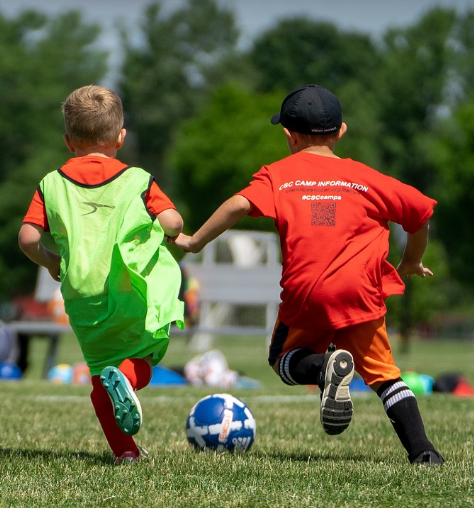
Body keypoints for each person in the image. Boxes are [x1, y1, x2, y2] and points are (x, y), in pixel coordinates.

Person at [174, 84, 444, 465]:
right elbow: (420, 213)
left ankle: (321, 369)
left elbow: (238, 204)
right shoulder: (364, 177)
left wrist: (196, 241)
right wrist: (412, 260)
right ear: (342, 132)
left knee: (282, 360)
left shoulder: (278, 175)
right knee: (386, 378)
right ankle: (424, 453)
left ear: (289, 136)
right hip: (360, 294)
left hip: (306, 291)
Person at [18, 85, 185, 464]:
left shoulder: (51, 183)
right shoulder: (138, 180)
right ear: (120, 138)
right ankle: (128, 376)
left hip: (81, 297)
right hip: (130, 291)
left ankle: (125, 452)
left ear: (68, 141)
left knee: (98, 377)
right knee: (145, 353)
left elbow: (27, 238)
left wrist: (48, 261)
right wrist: (173, 233)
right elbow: (173, 221)